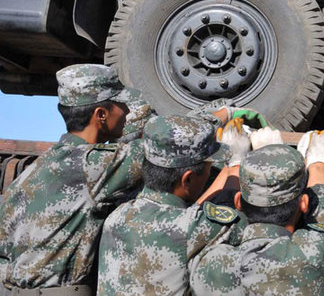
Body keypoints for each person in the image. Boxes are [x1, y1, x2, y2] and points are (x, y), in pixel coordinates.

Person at [0, 64, 144, 294]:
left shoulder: (33, 170)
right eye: (121, 104)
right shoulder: (92, 165)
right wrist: (219, 115)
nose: (127, 111)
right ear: (101, 115)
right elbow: (166, 149)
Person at [189, 132, 324, 295]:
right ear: (304, 204)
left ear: (238, 202)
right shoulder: (312, 252)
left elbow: (189, 222)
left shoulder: (209, 263)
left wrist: (234, 166)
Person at [96, 115, 249, 295]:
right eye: (210, 167)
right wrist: (238, 163)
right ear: (188, 179)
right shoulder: (195, 228)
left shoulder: (118, 216)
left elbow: (186, 217)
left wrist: (229, 169)